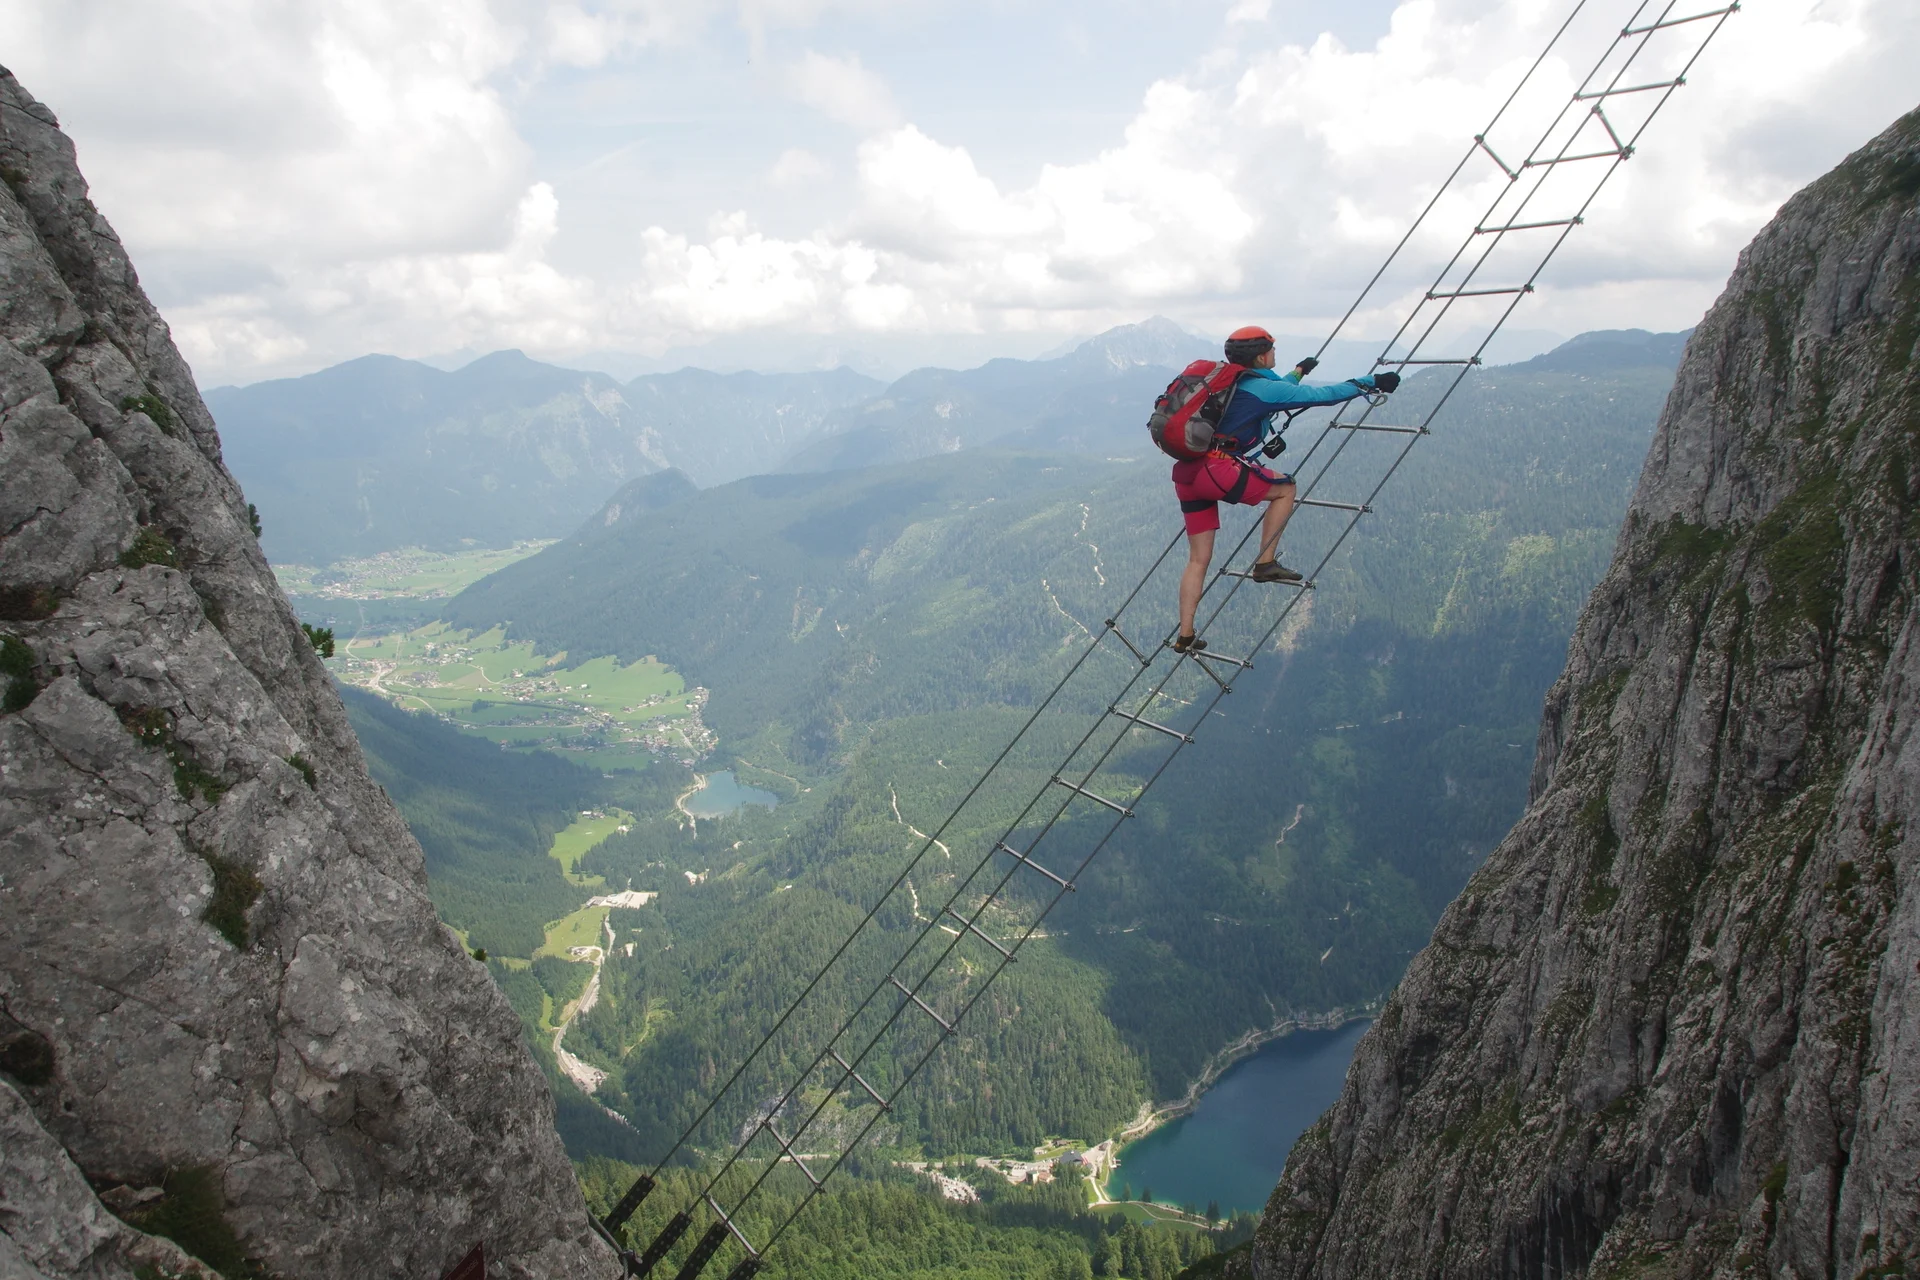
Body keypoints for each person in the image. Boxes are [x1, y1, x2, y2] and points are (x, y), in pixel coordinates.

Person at [1172, 326, 1399, 652]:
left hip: (1188, 474)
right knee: (1285, 488)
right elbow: (1322, 397)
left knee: (1198, 559)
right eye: (1273, 351)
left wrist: (1299, 372)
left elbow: (1278, 388)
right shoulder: (1262, 389)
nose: (1275, 355)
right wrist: (1370, 383)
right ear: (1262, 356)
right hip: (1218, 468)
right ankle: (1265, 563)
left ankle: (1186, 635)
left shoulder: (1231, 382)